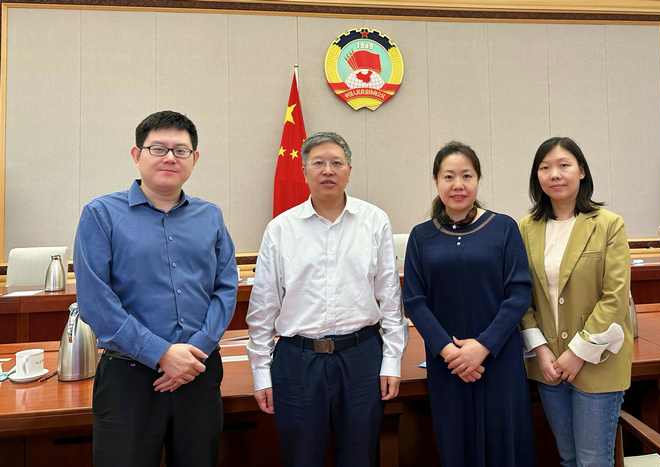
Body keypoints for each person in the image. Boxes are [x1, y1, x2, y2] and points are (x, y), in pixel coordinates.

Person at [73, 110, 239, 467]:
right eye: (158, 148)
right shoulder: (101, 214)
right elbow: (95, 301)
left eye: (180, 150)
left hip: (198, 372)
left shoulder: (210, 216)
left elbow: (226, 288)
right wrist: (161, 354)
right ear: (137, 155)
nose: (169, 157)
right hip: (128, 378)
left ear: (194, 159)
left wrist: (196, 350)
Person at [246, 131, 409, 467]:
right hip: (298, 361)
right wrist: (261, 372)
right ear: (304, 171)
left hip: (362, 358)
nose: (328, 170)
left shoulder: (374, 221)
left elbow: (391, 302)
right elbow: (263, 309)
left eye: (336, 163)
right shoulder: (280, 229)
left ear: (349, 170)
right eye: (318, 163)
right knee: (301, 458)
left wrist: (391, 362)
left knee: (361, 457)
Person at [402, 141, 534, 466]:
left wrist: (482, 346)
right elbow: (415, 301)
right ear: (436, 180)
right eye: (449, 176)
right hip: (447, 365)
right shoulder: (421, 236)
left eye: (466, 175)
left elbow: (519, 294)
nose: (458, 184)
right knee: (455, 446)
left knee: (505, 448)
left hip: (499, 358)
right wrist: (451, 352)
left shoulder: (504, 227)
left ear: (478, 179)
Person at [519, 136, 633, 466]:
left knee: (593, 460)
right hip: (548, 365)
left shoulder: (608, 224)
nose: (554, 174)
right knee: (568, 459)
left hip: (598, 361)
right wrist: (541, 350)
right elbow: (520, 297)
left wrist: (577, 353)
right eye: (545, 167)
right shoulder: (525, 228)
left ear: (581, 171)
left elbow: (614, 298)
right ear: (537, 176)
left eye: (564, 165)